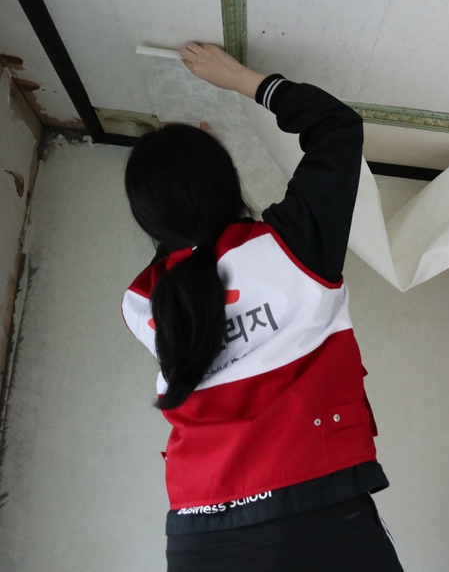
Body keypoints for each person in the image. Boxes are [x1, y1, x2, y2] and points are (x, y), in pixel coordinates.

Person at [120, 43, 402, 571]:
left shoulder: (143, 304)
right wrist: (239, 78)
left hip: (196, 532)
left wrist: (180, 186)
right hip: (311, 511)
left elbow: (181, 248)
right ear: (228, 182)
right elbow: (337, 126)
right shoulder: (291, 248)